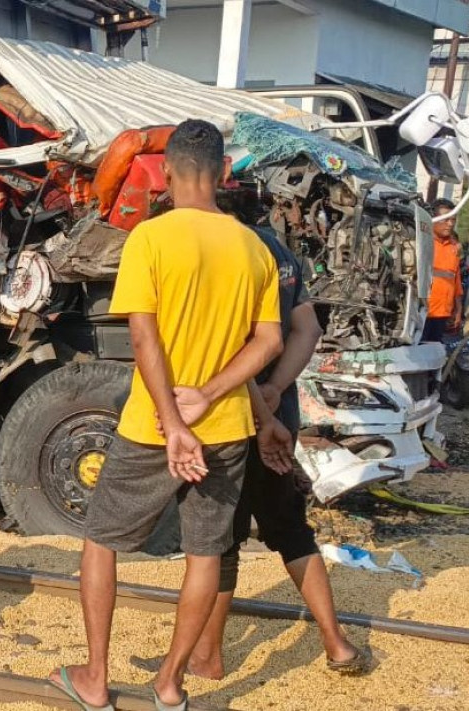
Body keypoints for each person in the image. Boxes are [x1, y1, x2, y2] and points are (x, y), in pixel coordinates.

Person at [50, 120, 283, 711]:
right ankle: (170, 683)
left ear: (168, 172)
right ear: (224, 173)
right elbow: (270, 341)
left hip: (150, 427)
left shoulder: (149, 240)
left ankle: (96, 680)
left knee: (101, 543)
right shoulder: (254, 247)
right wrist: (208, 394)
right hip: (227, 425)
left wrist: (175, 421)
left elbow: (145, 341)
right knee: (206, 555)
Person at [183, 226, 367, 679]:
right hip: (278, 414)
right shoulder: (281, 252)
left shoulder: (225, 248)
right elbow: (307, 329)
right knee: (290, 529)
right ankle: (335, 642)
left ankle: (207, 657)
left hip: (232, 418)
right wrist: (275, 390)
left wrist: (256, 403)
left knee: (221, 540)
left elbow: (229, 347)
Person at [423, 199, 464, 344]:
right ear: (434, 219)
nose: (451, 224)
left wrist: (458, 309)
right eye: (446, 220)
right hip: (422, 312)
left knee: (434, 350)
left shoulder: (454, 247)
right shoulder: (423, 243)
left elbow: (456, 279)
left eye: (453, 220)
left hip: (443, 313)